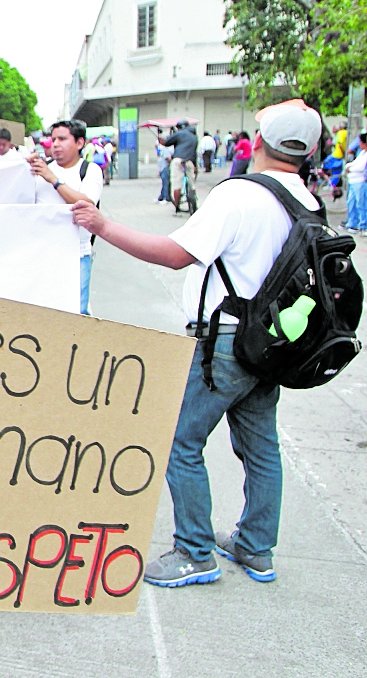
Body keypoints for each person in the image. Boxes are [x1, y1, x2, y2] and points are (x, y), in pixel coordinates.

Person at [71, 99, 324, 587]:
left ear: (264, 142)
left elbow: (174, 255)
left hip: (224, 344)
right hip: (271, 343)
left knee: (179, 442)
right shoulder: (306, 200)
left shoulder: (240, 195)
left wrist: (104, 226)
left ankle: (194, 552)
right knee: (261, 447)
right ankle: (256, 548)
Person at [29, 119, 103, 315]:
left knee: (77, 311)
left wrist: (52, 179)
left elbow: (86, 203)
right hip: (43, 252)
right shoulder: (40, 170)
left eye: (62, 139)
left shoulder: (89, 170)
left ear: (79, 143)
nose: (55, 144)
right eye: (53, 139)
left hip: (77, 254)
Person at [160, 120, 198, 211]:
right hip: (189, 161)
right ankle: (193, 200)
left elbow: (166, 142)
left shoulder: (179, 133)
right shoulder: (194, 137)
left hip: (178, 160)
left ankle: (176, 207)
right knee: (192, 184)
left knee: (177, 184)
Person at [343, 132, 367, 233]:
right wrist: (349, 166)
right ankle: (352, 223)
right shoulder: (362, 153)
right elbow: (353, 164)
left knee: (361, 204)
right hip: (353, 180)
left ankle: (363, 225)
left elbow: (360, 167)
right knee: (351, 202)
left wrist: (350, 168)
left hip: (360, 181)